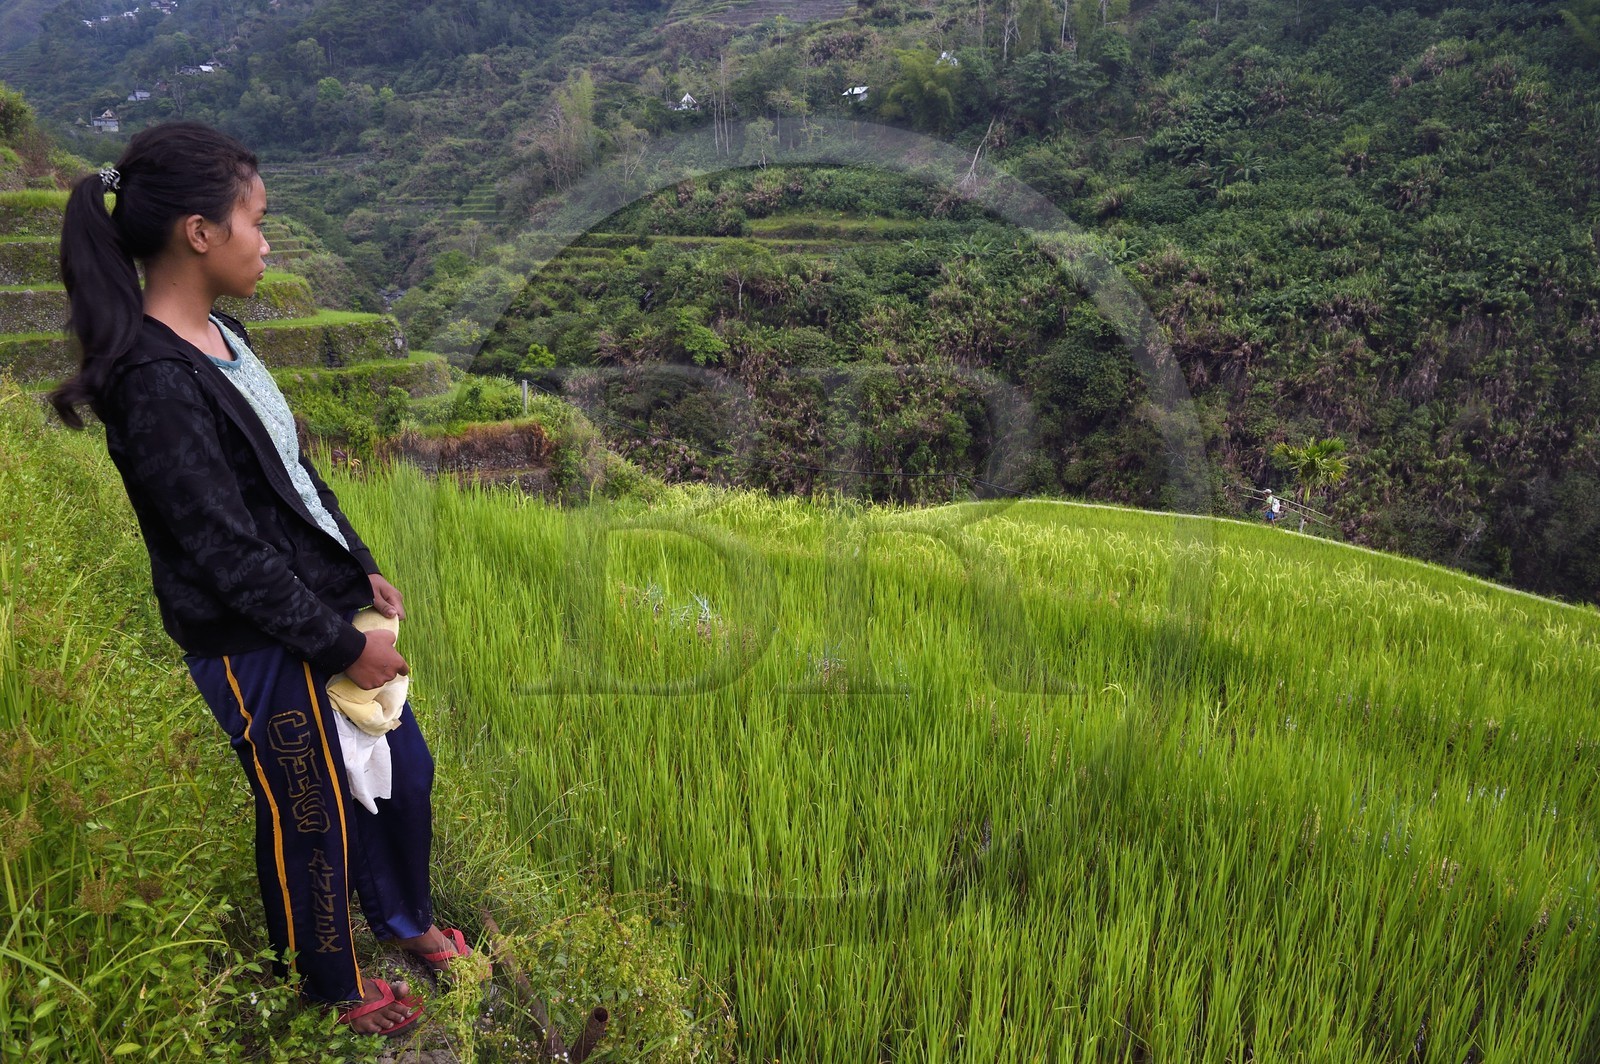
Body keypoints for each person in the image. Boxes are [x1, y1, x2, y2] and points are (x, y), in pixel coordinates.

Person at [49, 122, 468, 1038]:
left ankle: (406, 922)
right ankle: (331, 983)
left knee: (404, 770)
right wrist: (339, 645)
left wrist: (361, 562)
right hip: (253, 640)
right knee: (309, 810)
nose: (269, 240)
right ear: (200, 232)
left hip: (317, 604)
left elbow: (292, 469)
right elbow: (222, 552)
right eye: (258, 219)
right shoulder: (152, 378)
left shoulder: (222, 336)